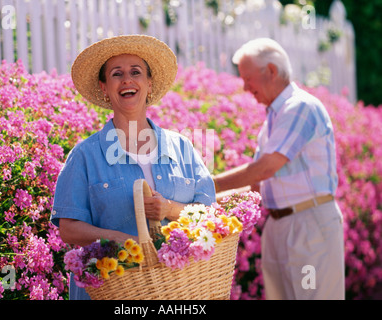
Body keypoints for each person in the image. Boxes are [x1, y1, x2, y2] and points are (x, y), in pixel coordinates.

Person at [50, 35, 216, 300]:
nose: (127, 79)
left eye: (135, 72)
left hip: (175, 293)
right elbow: (69, 229)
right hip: (111, 292)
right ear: (104, 87)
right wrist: (118, 240)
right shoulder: (85, 155)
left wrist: (170, 209)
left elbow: (209, 216)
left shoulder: (182, 147)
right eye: (117, 74)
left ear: (148, 83)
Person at [212, 38, 344, 300]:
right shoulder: (274, 117)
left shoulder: (300, 107)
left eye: (248, 78)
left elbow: (264, 169)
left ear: (271, 71)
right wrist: (199, 202)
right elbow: (256, 187)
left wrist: (206, 185)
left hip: (307, 225)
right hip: (280, 226)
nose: (245, 87)